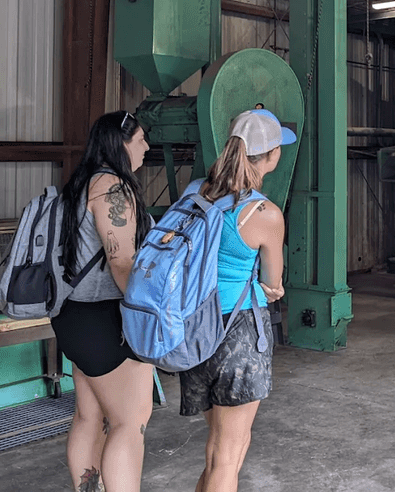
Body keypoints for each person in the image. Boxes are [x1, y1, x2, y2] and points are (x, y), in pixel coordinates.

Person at [178, 109, 294, 492]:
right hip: (237, 333)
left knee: (220, 450)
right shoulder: (265, 214)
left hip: (194, 329)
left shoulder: (195, 192)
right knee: (228, 455)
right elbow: (272, 283)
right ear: (272, 155)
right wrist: (272, 289)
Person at [50, 110, 154, 492]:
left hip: (73, 316)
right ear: (120, 143)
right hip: (105, 320)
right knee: (129, 422)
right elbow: (122, 264)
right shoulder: (113, 189)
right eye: (140, 139)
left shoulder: (80, 183)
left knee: (89, 416)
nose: (146, 147)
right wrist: (151, 314)